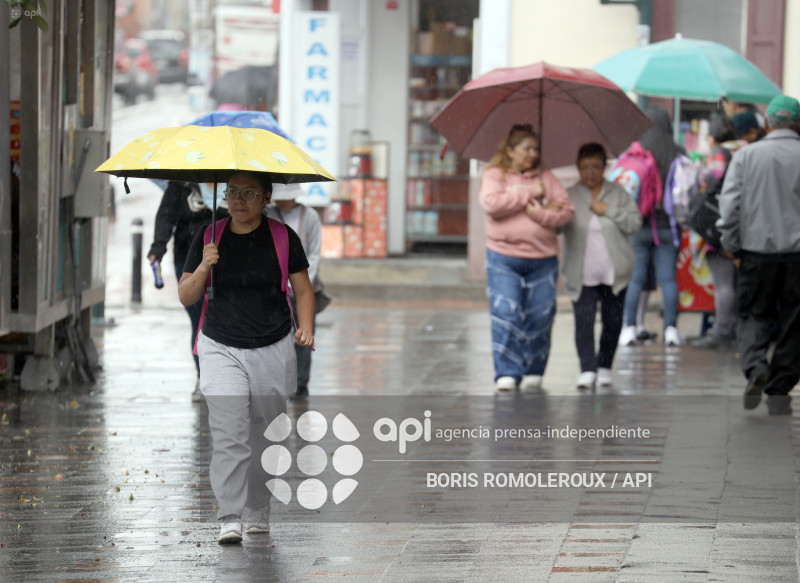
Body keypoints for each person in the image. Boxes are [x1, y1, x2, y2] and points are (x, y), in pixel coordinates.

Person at [179, 170, 315, 542]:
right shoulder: (209, 236)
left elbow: (303, 290)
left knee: (265, 435)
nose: (238, 200)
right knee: (230, 435)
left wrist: (305, 327)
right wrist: (205, 265)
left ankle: (257, 506)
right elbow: (186, 295)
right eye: (232, 192)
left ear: (266, 197)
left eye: (249, 193)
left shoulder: (283, 237)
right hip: (220, 346)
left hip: (272, 345)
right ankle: (229, 515)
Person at [718, 94, 800, 415]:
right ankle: (779, 390)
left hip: (755, 253)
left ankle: (755, 367)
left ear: (766, 122)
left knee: (753, 314)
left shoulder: (746, 156)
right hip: (797, 257)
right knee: (795, 323)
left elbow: (729, 207)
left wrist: (732, 245)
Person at [478, 124, 575, 392]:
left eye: (535, 149)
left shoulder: (546, 177)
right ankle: (507, 372)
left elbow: (567, 211)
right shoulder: (495, 175)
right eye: (526, 148)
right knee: (506, 312)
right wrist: (530, 194)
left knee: (541, 314)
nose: (533, 154)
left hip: (542, 258)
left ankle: (534, 368)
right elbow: (492, 204)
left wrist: (541, 214)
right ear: (510, 150)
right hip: (503, 256)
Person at [561, 143, 642, 389]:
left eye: (595, 166)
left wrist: (609, 211)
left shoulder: (618, 193)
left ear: (604, 167)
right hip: (581, 272)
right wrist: (551, 208)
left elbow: (634, 223)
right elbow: (557, 227)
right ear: (578, 167)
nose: (590, 172)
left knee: (613, 320)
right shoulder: (570, 194)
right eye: (585, 167)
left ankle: (605, 366)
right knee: (583, 322)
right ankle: (587, 369)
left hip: (614, 271)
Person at [147, 182, 229, 402]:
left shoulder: (237, 181)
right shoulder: (181, 184)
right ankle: (204, 377)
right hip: (189, 261)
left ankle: (228, 376)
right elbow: (166, 215)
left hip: (229, 262)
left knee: (228, 320)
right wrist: (158, 247)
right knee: (199, 320)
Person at [618, 106, 687, 347]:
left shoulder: (636, 152)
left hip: (639, 224)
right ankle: (671, 329)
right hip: (669, 225)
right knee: (668, 279)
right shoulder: (677, 152)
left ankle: (628, 327)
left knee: (635, 279)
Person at [265, 183, 329, 398]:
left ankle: (300, 383)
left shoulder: (310, 216)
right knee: (278, 338)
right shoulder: (269, 214)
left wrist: (302, 283)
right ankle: (281, 381)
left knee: (304, 335)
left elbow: (315, 254)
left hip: (304, 286)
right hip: (276, 289)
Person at [690, 115, 742, 349]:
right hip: (739, 224)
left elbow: (713, 177)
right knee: (734, 282)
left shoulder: (720, 153)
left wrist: (700, 172)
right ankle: (734, 327)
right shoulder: (744, 150)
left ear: (712, 137)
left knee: (724, 283)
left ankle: (722, 330)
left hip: (718, 225)